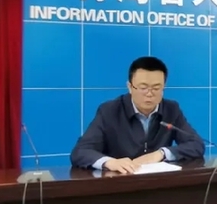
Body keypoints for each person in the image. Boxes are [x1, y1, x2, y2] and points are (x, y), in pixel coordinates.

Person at [70, 56, 205, 173]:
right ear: (130, 87)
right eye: (143, 87)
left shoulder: (171, 109)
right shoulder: (110, 111)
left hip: (158, 182)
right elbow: (80, 151)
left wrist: (161, 153)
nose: (149, 93)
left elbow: (196, 144)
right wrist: (110, 162)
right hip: (120, 183)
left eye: (156, 88)